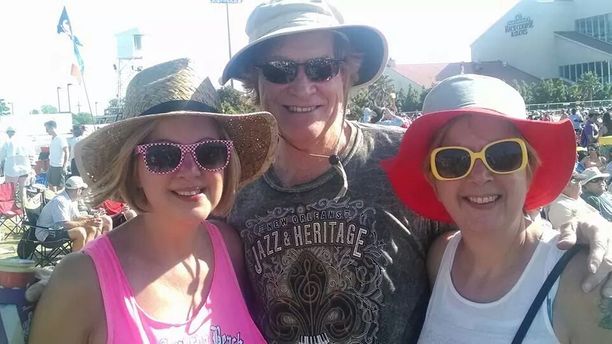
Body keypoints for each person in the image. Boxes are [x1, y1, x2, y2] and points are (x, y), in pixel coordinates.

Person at [221, 1, 612, 342]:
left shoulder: (408, 157)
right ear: (255, 81)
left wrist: (580, 216)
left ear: (347, 74)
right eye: (280, 69)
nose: (303, 86)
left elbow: (498, 204)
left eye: (322, 67)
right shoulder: (232, 187)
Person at [29, 58, 274, 343]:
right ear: (133, 172)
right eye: (163, 156)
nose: (191, 170)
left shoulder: (230, 247)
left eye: (210, 152)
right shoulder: (81, 281)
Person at [383, 74, 612, 343]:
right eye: (453, 161)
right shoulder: (440, 257)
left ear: (529, 172)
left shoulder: (585, 282)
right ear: (435, 182)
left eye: (503, 156)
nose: (480, 175)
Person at [35, 176, 108, 251]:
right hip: (47, 235)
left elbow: (76, 217)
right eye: (81, 189)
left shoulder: (71, 199)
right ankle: (77, 260)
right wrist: (87, 223)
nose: (82, 192)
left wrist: (92, 218)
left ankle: (88, 254)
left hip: (56, 230)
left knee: (92, 227)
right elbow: (65, 224)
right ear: (76, 190)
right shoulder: (60, 201)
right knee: (80, 232)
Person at [0, 126, 35, 204]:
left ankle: (13, 210)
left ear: (9, 133)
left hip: (12, 171)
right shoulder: (25, 141)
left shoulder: (7, 143)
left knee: (11, 192)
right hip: (25, 169)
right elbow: (32, 155)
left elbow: (1, 157)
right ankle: (24, 210)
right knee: (23, 191)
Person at [44, 120, 69, 192]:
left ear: (52, 128)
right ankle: (54, 197)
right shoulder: (53, 138)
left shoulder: (60, 138)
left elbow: (66, 152)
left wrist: (64, 166)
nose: (46, 131)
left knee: (60, 186)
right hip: (52, 165)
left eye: (47, 129)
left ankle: (59, 199)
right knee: (50, 183)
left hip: (59, 166)